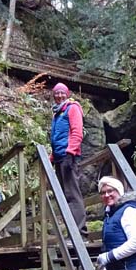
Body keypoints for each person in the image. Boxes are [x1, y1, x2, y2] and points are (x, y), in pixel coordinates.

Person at [50, 82, 87, 237]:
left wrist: (70, 151)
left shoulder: (72, 108)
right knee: (65, 195)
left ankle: (80, 233)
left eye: (62, 93)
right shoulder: (57, 113)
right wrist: (52, 156)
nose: (59, 95)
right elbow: (57, 137)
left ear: (67, 94)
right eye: (56, 93)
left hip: (68, 156)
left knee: (72, 194)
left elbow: (77, 131)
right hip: (59, 157)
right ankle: (72, 232)